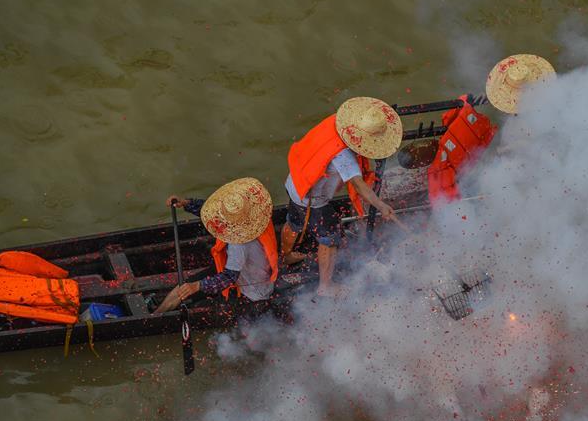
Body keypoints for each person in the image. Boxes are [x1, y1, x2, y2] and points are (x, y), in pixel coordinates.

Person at [281, 96, 402, 297]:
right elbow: (360, 186)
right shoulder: (343, 156)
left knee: (293, 222)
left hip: (295, 181)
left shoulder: (334, 123)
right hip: (312, 198)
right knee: (330, 238)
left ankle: (287, 256)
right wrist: (381, 206)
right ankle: (325, 287)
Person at [427, 54, 556, 204]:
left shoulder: (523, 125)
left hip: (526, 177)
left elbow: (526, 151)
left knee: (473, 186)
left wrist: (501, 153)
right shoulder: (541, 108)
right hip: (523, 164)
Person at [155, 177, 278, 316]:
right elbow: (213, 212)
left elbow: (229, 277)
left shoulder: (239, 244)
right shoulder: (257, 215)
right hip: (243, 268)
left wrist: (197, 286)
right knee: (180, 291)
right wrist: (186, 203)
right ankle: (156, 314)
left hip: (251, 291)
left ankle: (155, 317)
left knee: (183, 292)